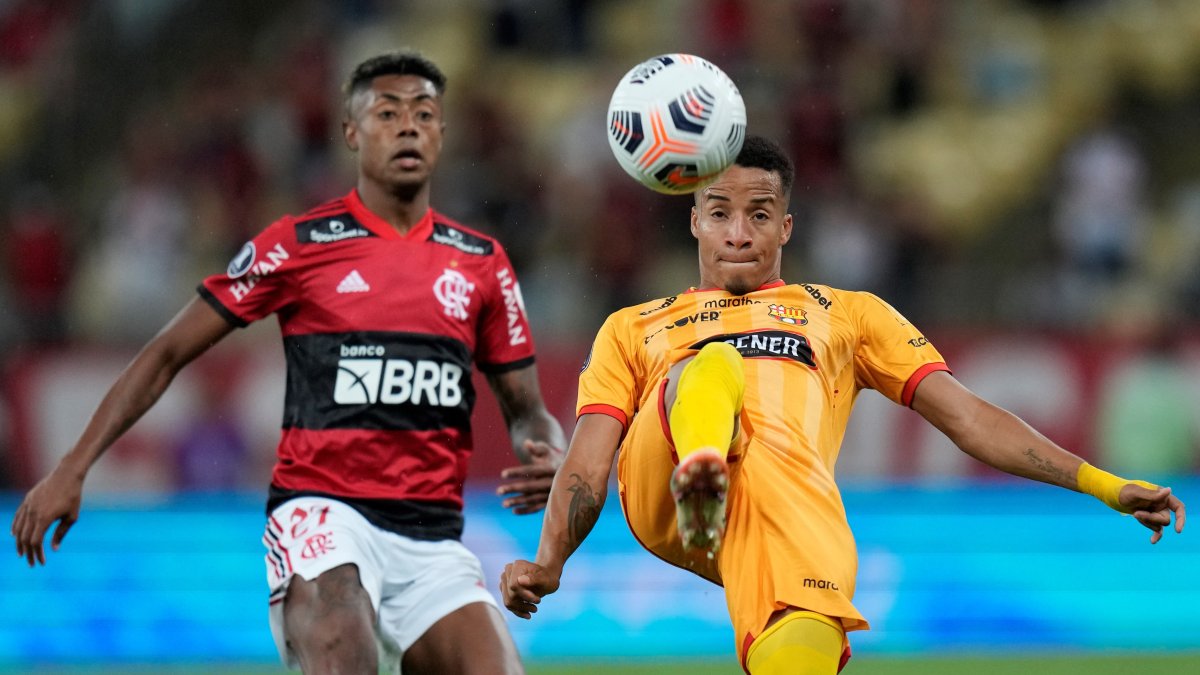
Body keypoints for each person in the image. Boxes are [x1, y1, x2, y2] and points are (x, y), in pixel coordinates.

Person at [499, 136, 1185, 675]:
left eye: (759, 214)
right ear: (695, 223)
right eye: (720, 213)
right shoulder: (634, 325)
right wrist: (550, 560)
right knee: (710, 364)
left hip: (781, 509)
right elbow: (591, 457)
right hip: (664, 479)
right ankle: (701, 469)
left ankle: (717, 497)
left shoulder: (846, 315)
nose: (739, 231)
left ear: (787, 226)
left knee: (806, 607)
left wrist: (1102, 482)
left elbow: (969, 417)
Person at [12, 51, 565, 675]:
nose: (408, 126)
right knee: (340, 624)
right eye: (387, 113)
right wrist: (73, 466)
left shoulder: (481, 261)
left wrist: (548, 452)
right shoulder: (299, 245)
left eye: (424, 113)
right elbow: (166, 352)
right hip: (324, 511)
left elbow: (528, 413)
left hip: (432, 537)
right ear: (352, 132)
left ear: (441, 133)